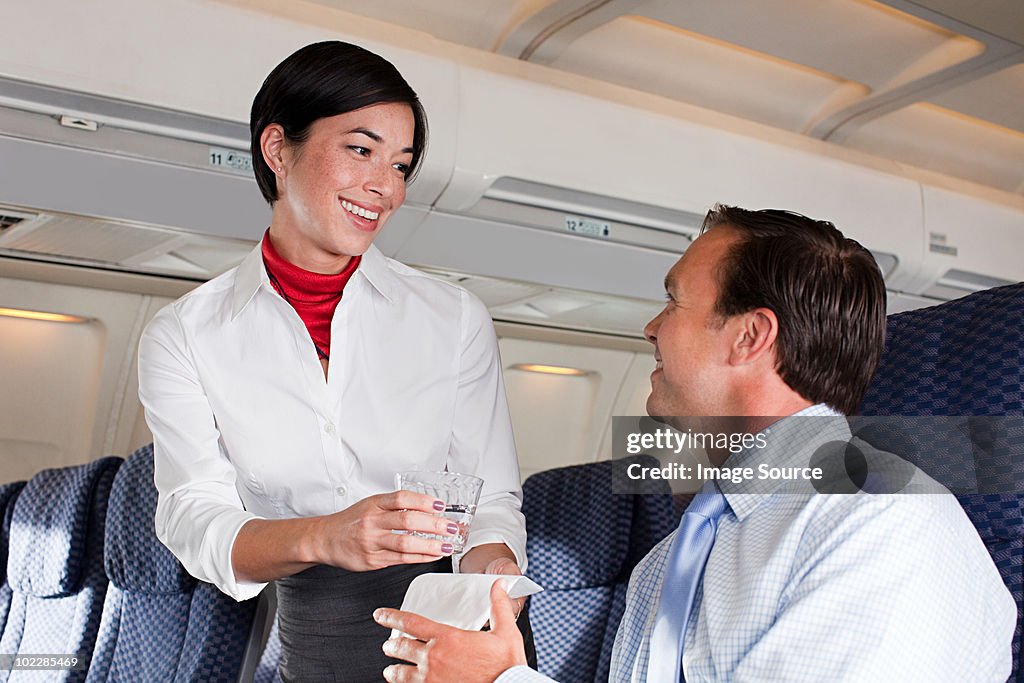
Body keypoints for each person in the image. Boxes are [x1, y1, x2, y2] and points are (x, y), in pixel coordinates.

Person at [373, 205, 1016, 682]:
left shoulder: (882, 522)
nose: (651, 327)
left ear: (748, 337)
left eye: (674, 301)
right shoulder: (677, 555)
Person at [138, 41, 530, 682]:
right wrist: (322, 536)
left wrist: (493, 572)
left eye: (401, 165)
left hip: (462, 631)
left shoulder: (453, 318)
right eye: (361, 149)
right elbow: (193, 515)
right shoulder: (186, 335)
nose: (387, 187)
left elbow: (490, 497)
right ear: (277, 149)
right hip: (319, 638)